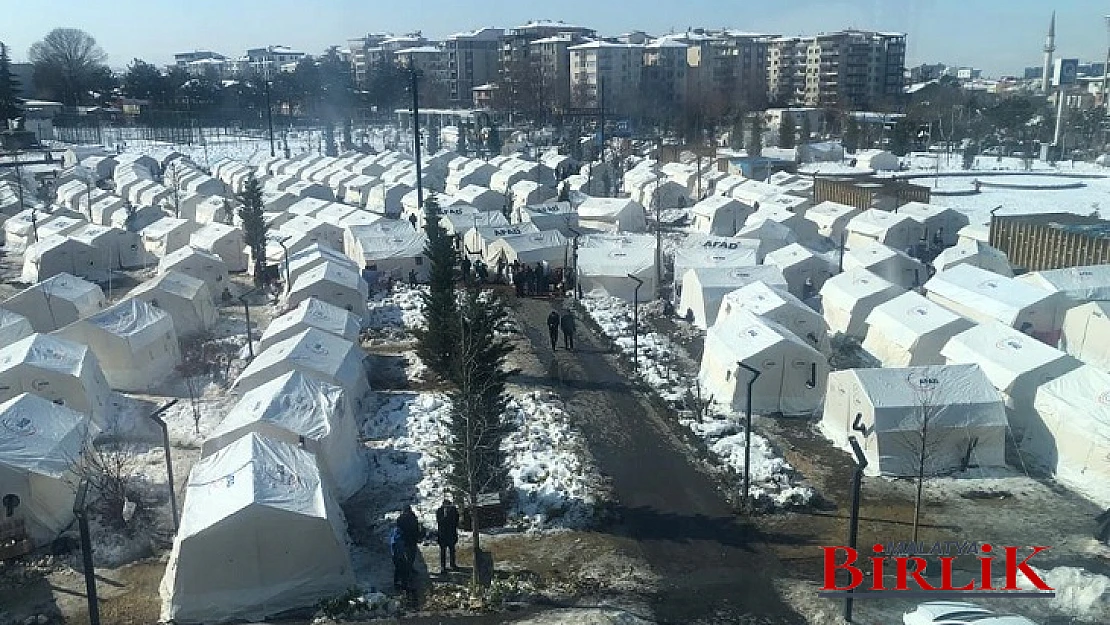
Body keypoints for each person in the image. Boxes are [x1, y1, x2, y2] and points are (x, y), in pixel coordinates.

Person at [435, 499, 460, 574]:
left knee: (452, 550)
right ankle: (443, 566)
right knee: (443, 551)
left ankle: (452, 564)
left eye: (448, 505)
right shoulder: (439, 511)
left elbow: (456, 521)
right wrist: (445, 516)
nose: (446, 507)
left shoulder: (453, 510)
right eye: (445, 505)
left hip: (451, 534)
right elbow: (439, 521)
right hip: (442, 535)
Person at [390, 524, 411, 593]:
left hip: (397, 555)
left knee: (399, 569)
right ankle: (402, 584)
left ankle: (398, 583)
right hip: (398, 555)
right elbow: (396, 546)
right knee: (402, 570)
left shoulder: (396, 533)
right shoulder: (398, 535)